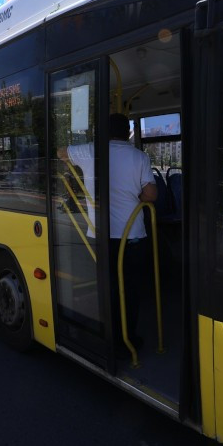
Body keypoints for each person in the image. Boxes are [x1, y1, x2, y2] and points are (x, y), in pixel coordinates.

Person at [62, 113, 158, 359]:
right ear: (127, 133)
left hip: (100, 235)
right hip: (133, 236)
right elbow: (150, 194)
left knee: (107, 286)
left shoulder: (90, 151)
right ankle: (128, 338)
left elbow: (61, 152)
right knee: (130, 289)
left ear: (103, 132)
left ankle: (107, 335)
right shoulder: (140, 157)